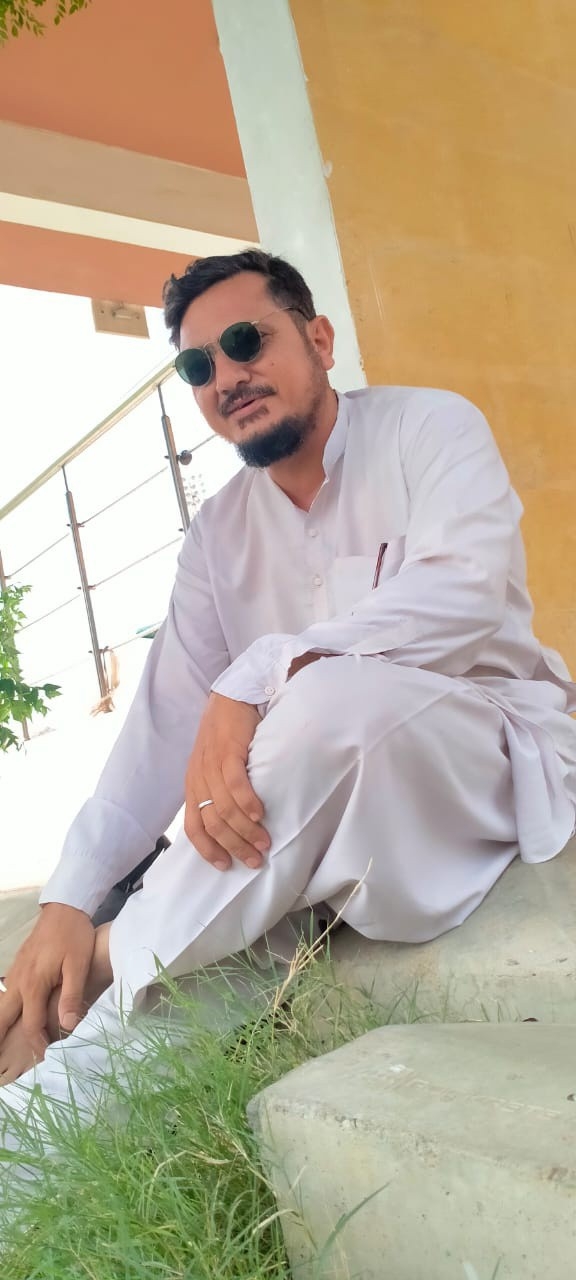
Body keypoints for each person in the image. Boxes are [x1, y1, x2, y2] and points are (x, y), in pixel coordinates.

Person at [1, 248, 575, 1131]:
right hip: (318, 825)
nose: (227, 377)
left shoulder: (430, 429)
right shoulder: (218, 534)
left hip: (478, 761)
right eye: (198, 367)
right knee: (246, 890)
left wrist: (262, 671)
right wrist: (67, 904)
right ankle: (36, 1129)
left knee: (323, 703)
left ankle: (115, 954)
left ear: (320, 340)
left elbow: (461, 593)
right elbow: (161, 723)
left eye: (247, 341)